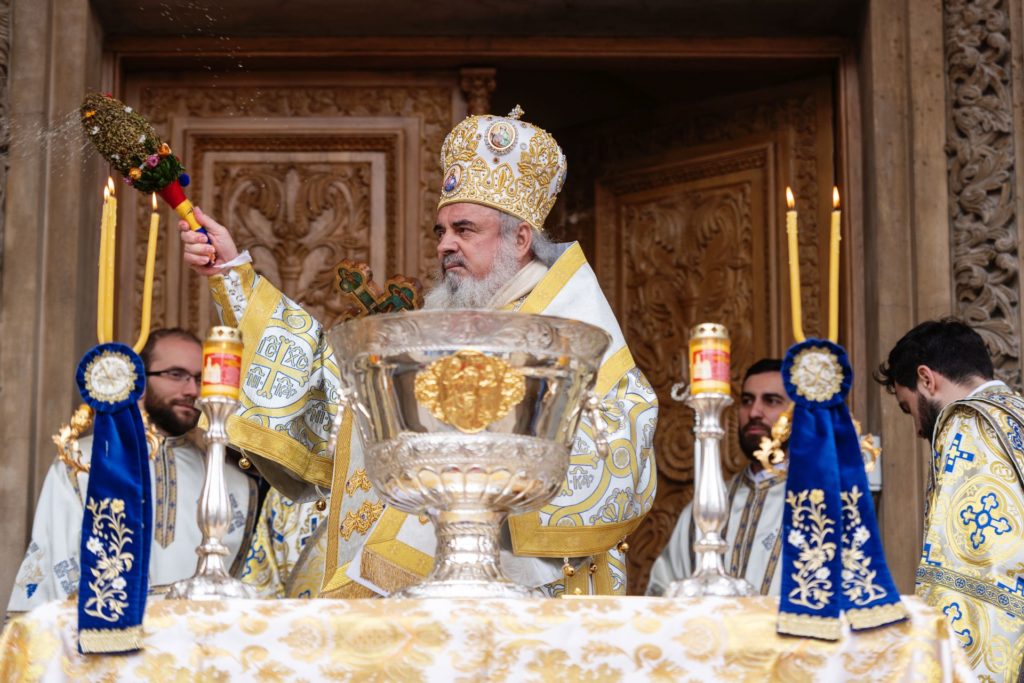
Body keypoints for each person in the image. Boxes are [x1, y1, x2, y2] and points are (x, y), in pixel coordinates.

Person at [180, 106, 658, 597]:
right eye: (441, 231)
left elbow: (619, 447)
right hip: (428, 591)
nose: (445, 245)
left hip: (527, 589)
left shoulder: (569, 326)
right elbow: (344, 395)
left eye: (464, 230)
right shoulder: (444, 322)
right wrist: (234, 277)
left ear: (520, 238)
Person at [7, 328, 259, 615]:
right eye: (176, 374)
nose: (192, 390)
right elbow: (55, 561)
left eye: (201, 378)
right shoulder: (81, 462)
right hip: (100, 632)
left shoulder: (236, 484)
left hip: (198, 637)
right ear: (139, 380)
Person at [877, 318, 1024, 683]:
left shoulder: (969, 422)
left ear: (926, 379)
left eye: (908, 407)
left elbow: (979, 566)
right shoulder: (1015, 412)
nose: (917, 428)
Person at [647, 359, 789, 596]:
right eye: (747, 401)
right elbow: (662, 593)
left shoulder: (814, 508)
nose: (754, 412)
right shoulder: (705, 509)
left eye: (771, 401)